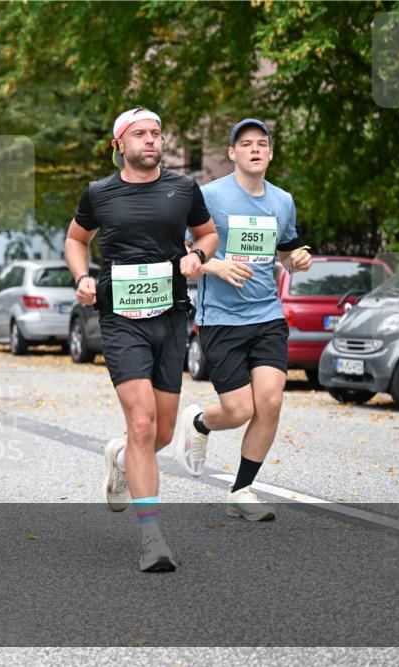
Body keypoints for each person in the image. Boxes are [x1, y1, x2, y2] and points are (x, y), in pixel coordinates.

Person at [64, 107, 219, 572]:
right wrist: (81, 277)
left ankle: (121, 457)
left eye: (156, 133)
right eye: (140, 134)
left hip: (170, 317)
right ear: (120, 145)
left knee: (164, 433)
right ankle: (153, 538)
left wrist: (196, 255)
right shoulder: (99, 194)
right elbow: (76, 239)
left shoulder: (183, 188)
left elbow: (208, 234)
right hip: (121, 318)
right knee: (144, 424)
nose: (151, 140)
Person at [173, 118, 312, 521]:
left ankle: (242, 490)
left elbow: (285, 252)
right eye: (245, 143)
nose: (255, 149)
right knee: (238, 410)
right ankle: (200, 422)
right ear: (232, 153)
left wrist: (295, 259)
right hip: (221, 318)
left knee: (269, 402)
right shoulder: (209, 196)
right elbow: (184, 248)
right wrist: (214, 266)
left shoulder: (282, 201)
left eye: (262, 143)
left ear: (270, 153)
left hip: (267, 314)